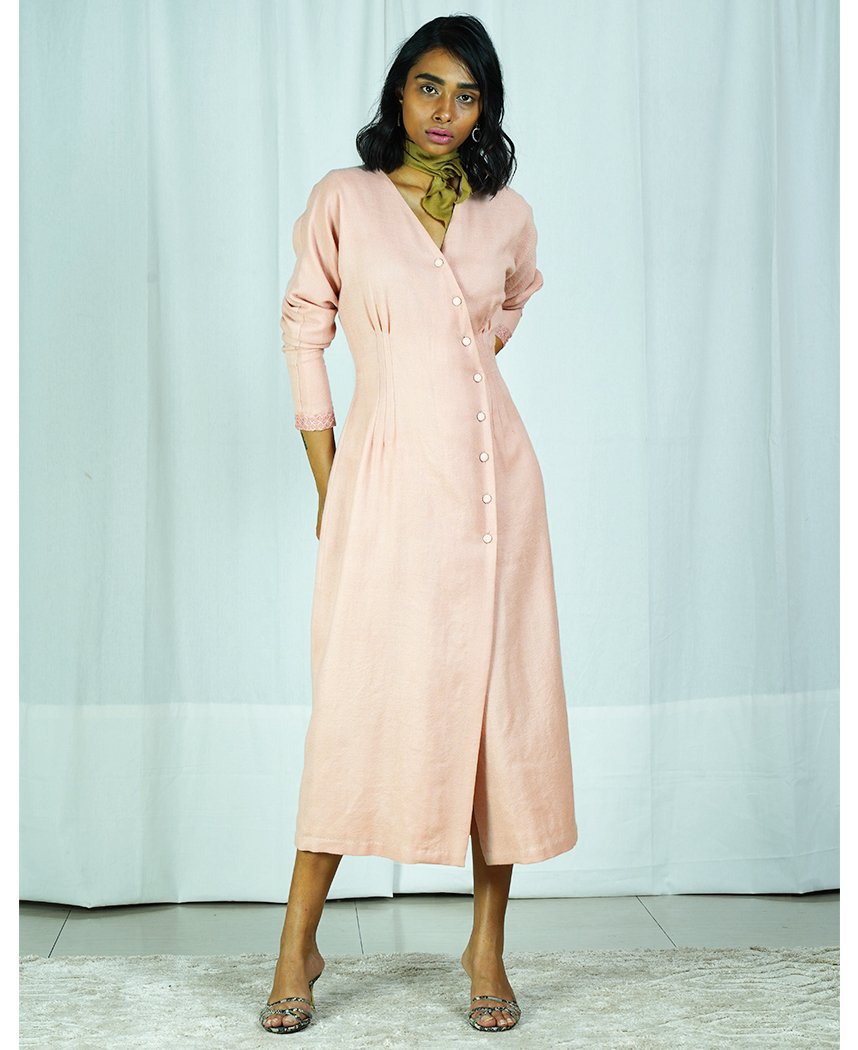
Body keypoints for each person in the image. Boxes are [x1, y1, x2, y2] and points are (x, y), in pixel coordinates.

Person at [260, 14, 578, 1035]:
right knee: (359, 701)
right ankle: (297, 943)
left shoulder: (505, 213)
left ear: (487, 109)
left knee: (499, 711)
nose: (446, 111)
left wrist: (459, 370)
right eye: (429, 87)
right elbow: (304, 329)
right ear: (398, 92)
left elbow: (506, 309)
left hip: (497, 490)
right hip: (387, 484)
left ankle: (486, 946)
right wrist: (330, 479)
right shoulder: (345, 199)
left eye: (467, 95)